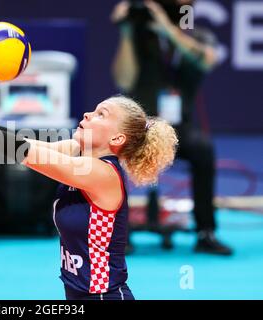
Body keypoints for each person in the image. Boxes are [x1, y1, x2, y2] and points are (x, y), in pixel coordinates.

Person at [0, 95, 178, 300]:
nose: (88, 114)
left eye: (102, 114)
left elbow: (29, 154)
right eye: (94, 109)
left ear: (117, 138)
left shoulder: (102, 173)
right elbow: (19, 144)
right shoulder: (77, 151)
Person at [111, 0, 232, 255]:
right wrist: (126, 33)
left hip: (179, 131)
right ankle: (119, 233)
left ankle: (205, 233)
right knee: (110, 152)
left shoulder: (196, 36)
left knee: (203, 149)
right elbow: (123, 78)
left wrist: (167, 30)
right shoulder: (137, 39)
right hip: (140, 128)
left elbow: (205, 61)